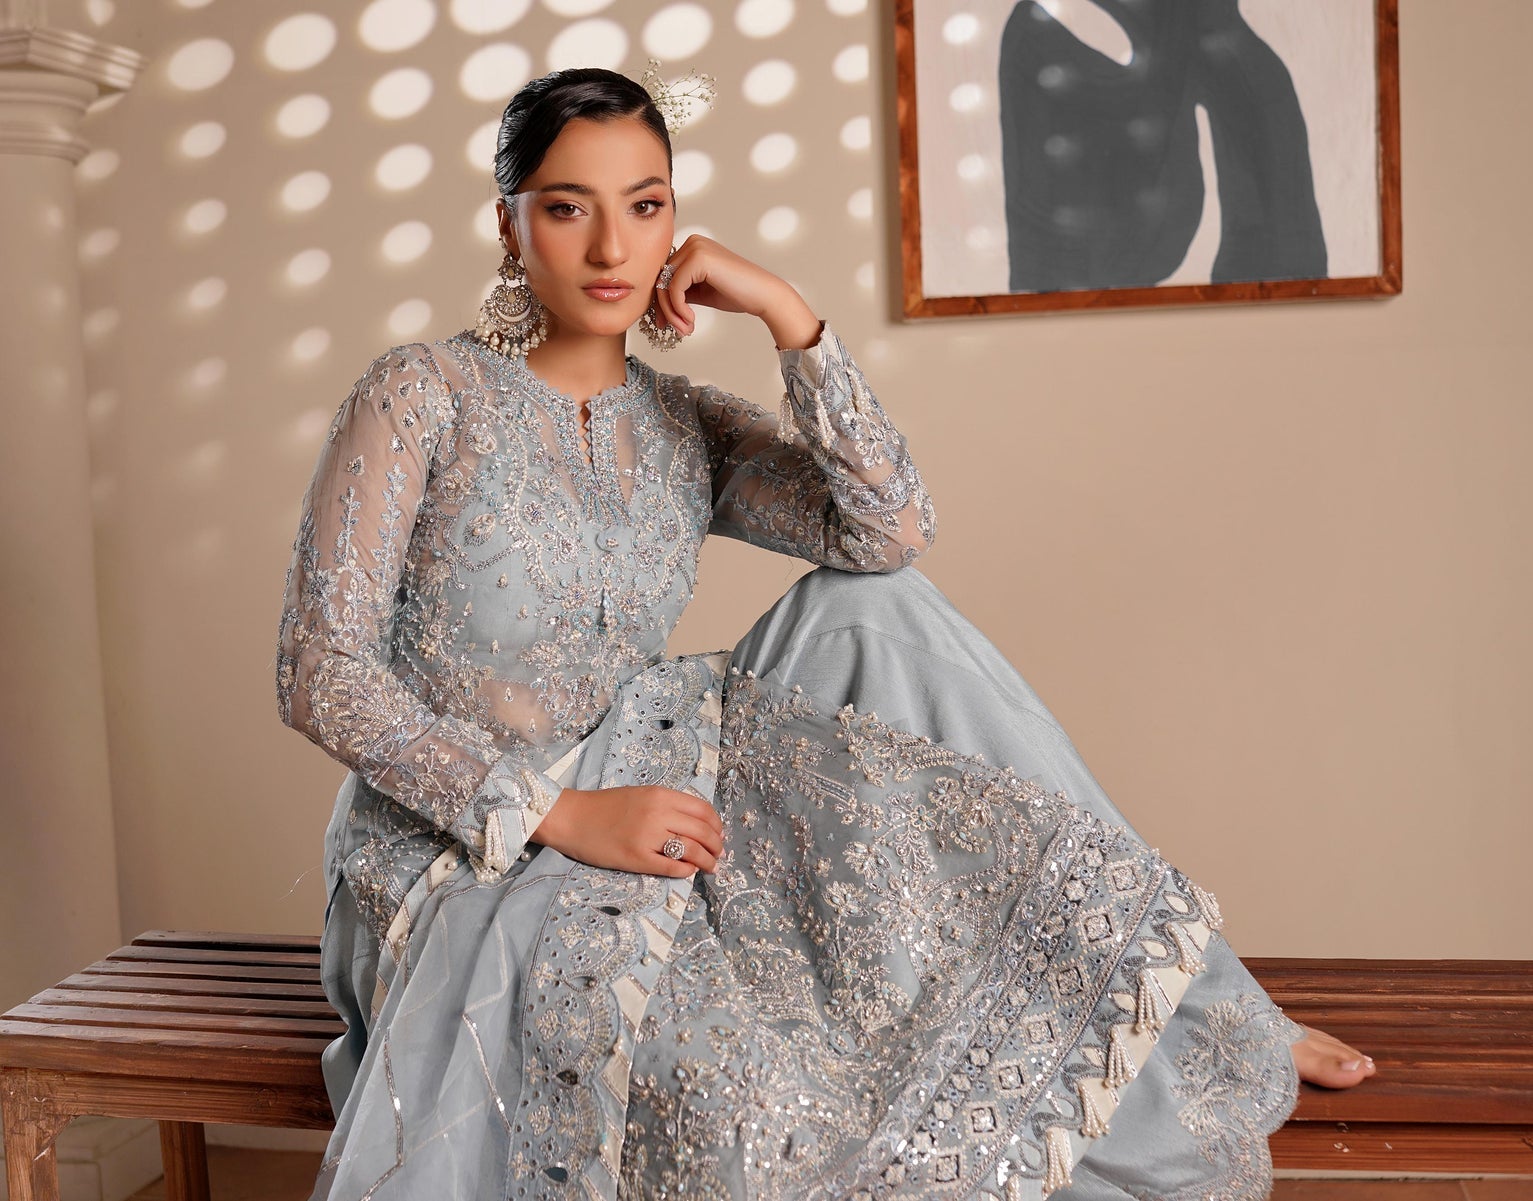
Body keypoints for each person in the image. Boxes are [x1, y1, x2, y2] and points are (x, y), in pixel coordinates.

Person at [275, 65, 1373, 1201]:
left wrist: (788, 315)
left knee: (876, 608)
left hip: (649, 780)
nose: (611, 246)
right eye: (567, 207)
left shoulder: (682, 422)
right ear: (508, 225)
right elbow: (318, 671)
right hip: (458, 849)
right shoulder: (423, 395)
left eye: (644, 206)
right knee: (750, 1102)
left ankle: (1200, 992)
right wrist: (557, 814)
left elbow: (888, 530)